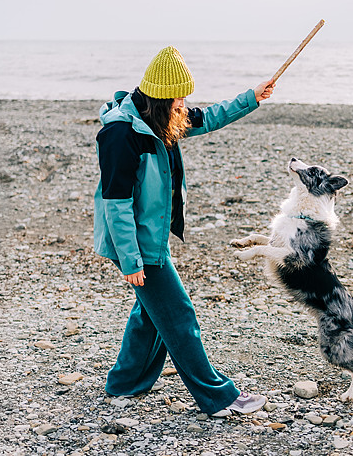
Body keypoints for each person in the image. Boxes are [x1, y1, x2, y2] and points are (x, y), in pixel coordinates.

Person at [93, 46, 274, 416]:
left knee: (151, 314)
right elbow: (116, 203)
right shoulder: (120, 136)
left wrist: (252, 97)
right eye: (178, 97)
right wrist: (131, 261)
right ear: (159, 97)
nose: (184, 103)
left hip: (151, 238)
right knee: (178, 316)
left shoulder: (160, 117)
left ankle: (124, 384)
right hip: (137, 245)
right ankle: (218, 398)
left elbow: (208, 117)